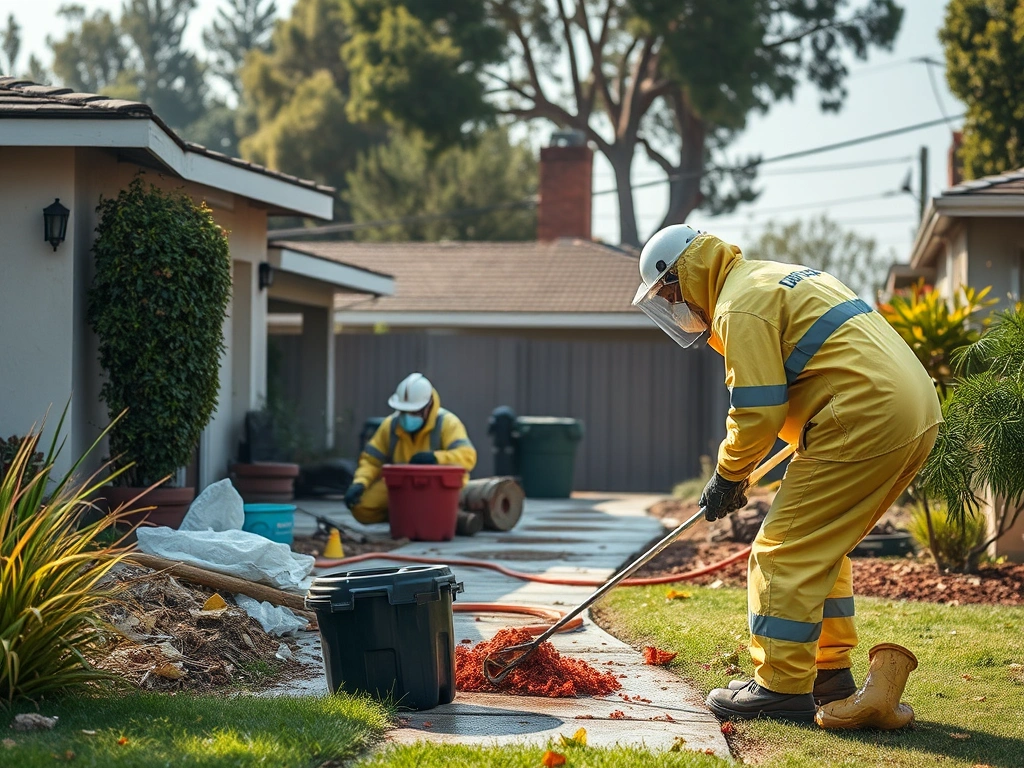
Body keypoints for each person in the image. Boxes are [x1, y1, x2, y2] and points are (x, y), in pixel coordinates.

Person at [633, 225, 942, 723]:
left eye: (670, 294)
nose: (676, 306)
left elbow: (757, 410)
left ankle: (779, 686)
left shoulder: (739, 306)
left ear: (684, 275)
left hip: (863, 416)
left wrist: (729, 475)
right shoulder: (769, 278)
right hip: (912, 412)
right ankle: (827, 673)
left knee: (781, 552)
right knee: (821, 547)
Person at [344, 373, 477, 523]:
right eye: (404, 411)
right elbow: (371, 461)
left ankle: (417, 516)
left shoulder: (447, 423)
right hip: (400, 486)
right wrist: (360, 482)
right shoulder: (390, 425)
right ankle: (404, 516)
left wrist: (436, 458)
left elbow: (467, 456)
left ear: (429, 406)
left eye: (414, 411)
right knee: (361, 507)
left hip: (439, 487)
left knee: (430, 510)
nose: (407, 417)